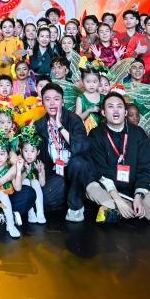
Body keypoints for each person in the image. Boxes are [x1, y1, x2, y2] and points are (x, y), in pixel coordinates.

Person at [83, 93, 150, 224]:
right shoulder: (96, 135)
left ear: (125, 112)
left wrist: (138, 196)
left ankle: (118, 210)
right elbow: (100, 170)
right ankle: (144, 210)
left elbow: (144, 168)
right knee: (91, 188)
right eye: (110, 107)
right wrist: (118, 200)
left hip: (135, 188)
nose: (115, 110)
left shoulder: (138, 133)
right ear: (103, 112)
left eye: (119, 107)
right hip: (110, 191)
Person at [34, 83, 89, 221]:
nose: (52, 103)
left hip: (74, 168)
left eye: (56, 99)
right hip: (56, 171)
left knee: (78, 163)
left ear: (62, 101)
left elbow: (81, 147)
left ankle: (75, 206)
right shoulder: (39, 125)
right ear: (43, 103)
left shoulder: (74, 119)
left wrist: (60, 126)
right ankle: (72, 193)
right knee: (45, 200)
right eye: (47, 99)